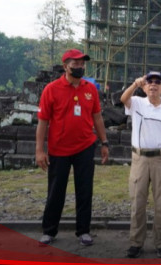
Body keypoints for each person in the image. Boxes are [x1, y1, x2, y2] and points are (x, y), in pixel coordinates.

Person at [36, 49, 109, 246]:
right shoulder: (52, 89)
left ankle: (83, 231)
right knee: (56, 191)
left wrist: (104, 142)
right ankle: (49, 230)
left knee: (85, 190)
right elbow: (43, 121)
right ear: (65, 66)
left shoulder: (90, 88)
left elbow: (97, 117)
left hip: (85, 146)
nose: (79, 67)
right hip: (59, 149)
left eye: (82, 63)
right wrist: (39, 150)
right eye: (75, 63)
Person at [120, 71, 161, 258]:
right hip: (139, 159)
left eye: (157, 82)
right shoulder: (138, 103)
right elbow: (123, 99)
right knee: (137, 203)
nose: (153, 85)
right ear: (145, 86)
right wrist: (135, 84)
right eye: (149, 82)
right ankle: (136, 242)